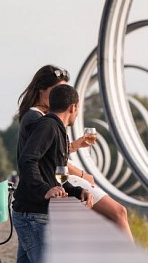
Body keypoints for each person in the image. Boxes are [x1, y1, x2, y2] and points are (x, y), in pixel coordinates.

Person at [16, 64, 133, 240]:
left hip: (51, 187)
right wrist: (82, 175)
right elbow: (40, 159)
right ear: (41, 90)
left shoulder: (44, 119)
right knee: (118, 213)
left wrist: (75, 146)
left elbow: (49, 153)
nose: (60, 96)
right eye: (57, 90)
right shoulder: (42, 120)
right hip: (54, 183)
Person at [12, 66, 92, 263]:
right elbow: (28, 160)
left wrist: (77, 191)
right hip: (33, 212)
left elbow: (55, 174)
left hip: (32, 210)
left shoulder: (55, 127)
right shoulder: (45, 124)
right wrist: (44, 190)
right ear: (73, 107)